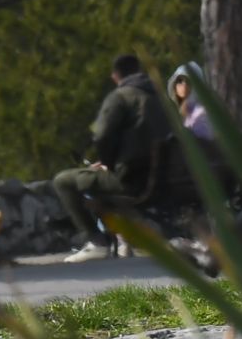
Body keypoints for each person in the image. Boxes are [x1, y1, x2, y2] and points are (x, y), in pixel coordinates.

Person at [51, 54, 167, 241]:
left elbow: (102, 136)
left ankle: (93, 240)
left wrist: (108, 164)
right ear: (139, 70)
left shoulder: (120, 97)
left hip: (131, 181)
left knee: (62, 181)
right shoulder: (162, 98)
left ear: (115, 76)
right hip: (163, 180)